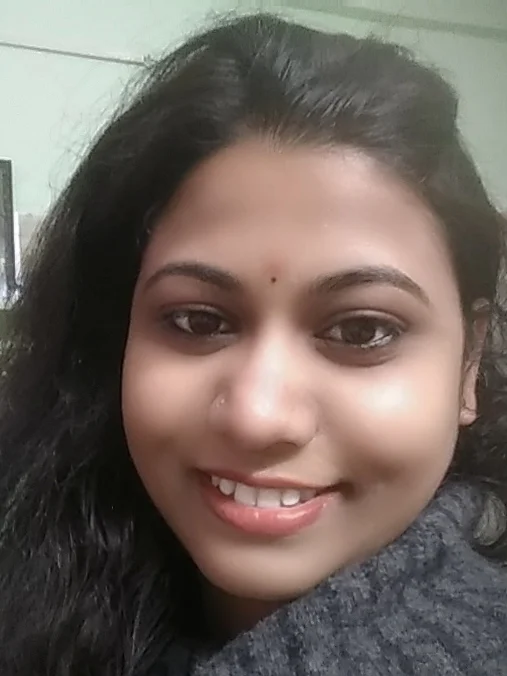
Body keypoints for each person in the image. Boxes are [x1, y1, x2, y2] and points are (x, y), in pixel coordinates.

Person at [1, 12, 506, 676]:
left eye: (361, 331)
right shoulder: (34, 588)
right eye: (196, 321)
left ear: (469, 364)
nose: (258, 416)